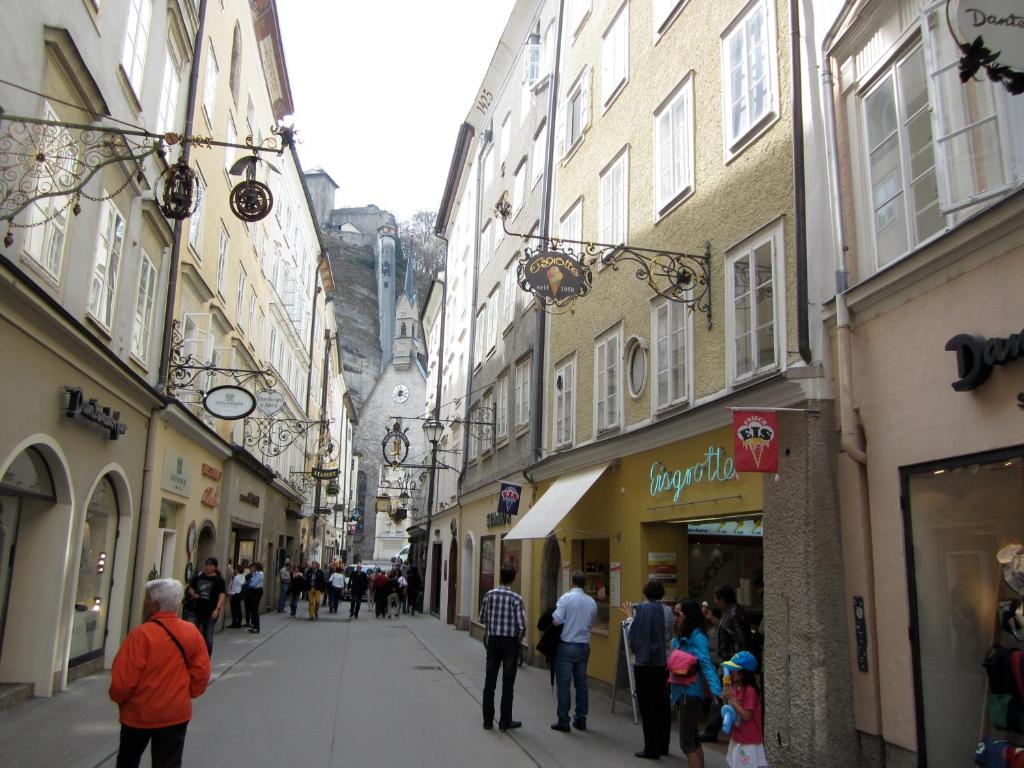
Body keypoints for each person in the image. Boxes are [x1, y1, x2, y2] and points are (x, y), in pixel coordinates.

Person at [109, 579, 211, 768]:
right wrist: (186, 693)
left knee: (128, 761)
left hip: (139, 714)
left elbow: (122, 681)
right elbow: (201, 672)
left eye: (146, 600)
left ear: (155, 604)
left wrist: (120, 700)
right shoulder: (191, 632)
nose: (144, 604)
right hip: (175, 713)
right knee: (168, 763)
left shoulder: (141, 634)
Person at [671, 599, 723, 768]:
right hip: (683, 693)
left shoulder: (697, 637)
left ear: (689, 616)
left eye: (678, 614)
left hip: (690, 693)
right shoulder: (684, 636)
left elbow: (706, 665)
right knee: (693, 738)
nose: (675, 618)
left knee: (686, 743)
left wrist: (716, 691)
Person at [626, 580, 672, 759]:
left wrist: (630, 617)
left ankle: (651, 748)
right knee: (662, 704)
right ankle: (663, 745)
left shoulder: (642, 610)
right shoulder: (667, 611)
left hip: (645, 663)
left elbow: (633, 635)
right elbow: (668, 634)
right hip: (663, 661)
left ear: (645, 593)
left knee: (647, 705)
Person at [550, 571, 598, 733]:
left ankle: (564, 720)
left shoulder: (566, 598)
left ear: (572, 582)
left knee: (564, 684)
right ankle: (581, 718)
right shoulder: (591, 602)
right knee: (581, 683)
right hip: (583, 645)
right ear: (584, 583)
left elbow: (556, 621)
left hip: (567, 645)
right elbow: (592, 622)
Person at [700, 584, 750, 742]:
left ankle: (711, 730)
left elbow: (740, 639)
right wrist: (711, 618)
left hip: (732, 662)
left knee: (721, 694)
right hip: (730, 661)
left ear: (722, 599)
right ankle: (715, 729)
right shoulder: (731, 612)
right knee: (723, 694)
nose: (715, 601)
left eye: (716, 598)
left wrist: (735, 663)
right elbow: (727, 629)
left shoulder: (733, 614)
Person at [479, 564, 525, 732]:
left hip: (493, 642)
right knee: (508, 682)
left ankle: (487, 720)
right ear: (512, 578)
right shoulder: (516, 598)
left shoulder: (489, 595)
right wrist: (518, 639)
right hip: (510, 644)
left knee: (489, 681)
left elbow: (482, 618)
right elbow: (522, 626)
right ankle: (505, 721)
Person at [720, 651, 768, 768]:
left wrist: (731, 697)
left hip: (748, 740)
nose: (731, 673)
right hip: (738, 737)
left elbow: (746, 716)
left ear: (743, 673)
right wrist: (726, 698)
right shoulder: (736, 688)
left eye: (734, 670)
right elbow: (731, 709)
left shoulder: (750, 691)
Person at [186, 557, 226, 656]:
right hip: (195, 610)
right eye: (206, 564)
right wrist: (193, 594)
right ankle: (191, 655)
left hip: (210, 612)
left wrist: (217, 609)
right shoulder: (199, 576)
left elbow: (222, 595)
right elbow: (190, 587)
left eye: (210, 565)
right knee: (191, 633)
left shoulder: (219, 580)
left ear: (215, 567)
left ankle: (206, 658)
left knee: (208, 638)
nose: (207, 567)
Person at [245, 562, 264, 634]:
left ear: (257, 567)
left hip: (257, 591)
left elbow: (253, 584)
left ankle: (257, 628)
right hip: (253, 591)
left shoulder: (260, 574)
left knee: (255, 610)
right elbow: (250, 580)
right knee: (253, 609)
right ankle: (254, 626)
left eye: (253, 567)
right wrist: (249, 583)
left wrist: (248, 584)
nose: (252, 568)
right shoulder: (255, 574)